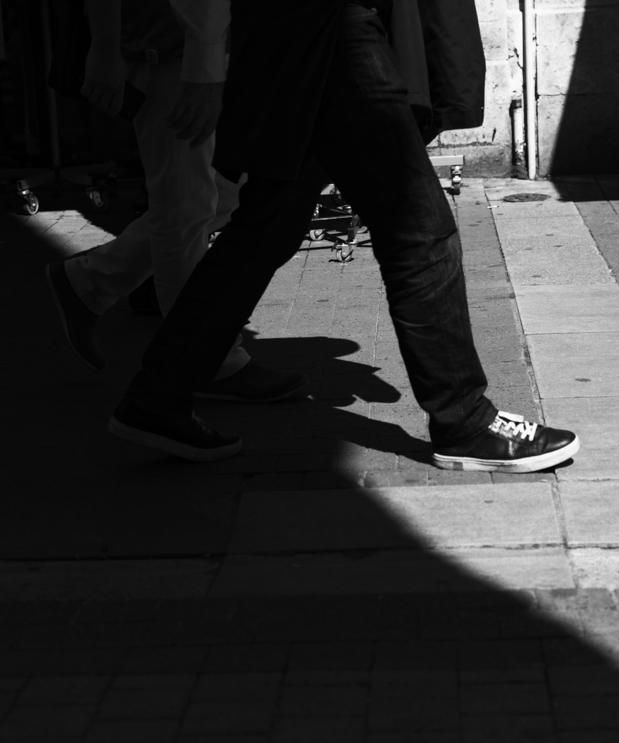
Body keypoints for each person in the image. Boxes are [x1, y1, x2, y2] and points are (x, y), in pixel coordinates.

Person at [108, 0, 580, 473]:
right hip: (330, 27)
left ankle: (157, 396)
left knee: (264, 231)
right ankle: (464, 421)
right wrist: (205, 55)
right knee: (418, 228)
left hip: (305, 30)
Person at [44, 0, 307, 403]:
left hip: (208, 51)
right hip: (169, 52)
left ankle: (91, 279)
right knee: (185, 208)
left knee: (222, 196)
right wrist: (104, 47)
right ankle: (210, 362)